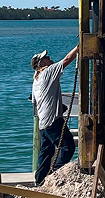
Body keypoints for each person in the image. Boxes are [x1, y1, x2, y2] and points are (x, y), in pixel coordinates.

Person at [31, 45, 78, 185]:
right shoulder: (48, 72)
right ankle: (55, 173)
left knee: (46, 152)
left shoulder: (36, 80)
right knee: (68, 147)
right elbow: (67, 60)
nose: (49, 57)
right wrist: (78, 47)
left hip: (43, 122)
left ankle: (39, 181)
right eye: (46, 57)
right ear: (41, 63)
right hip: (52, 120)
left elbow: (35, 102)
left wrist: (55, 105)